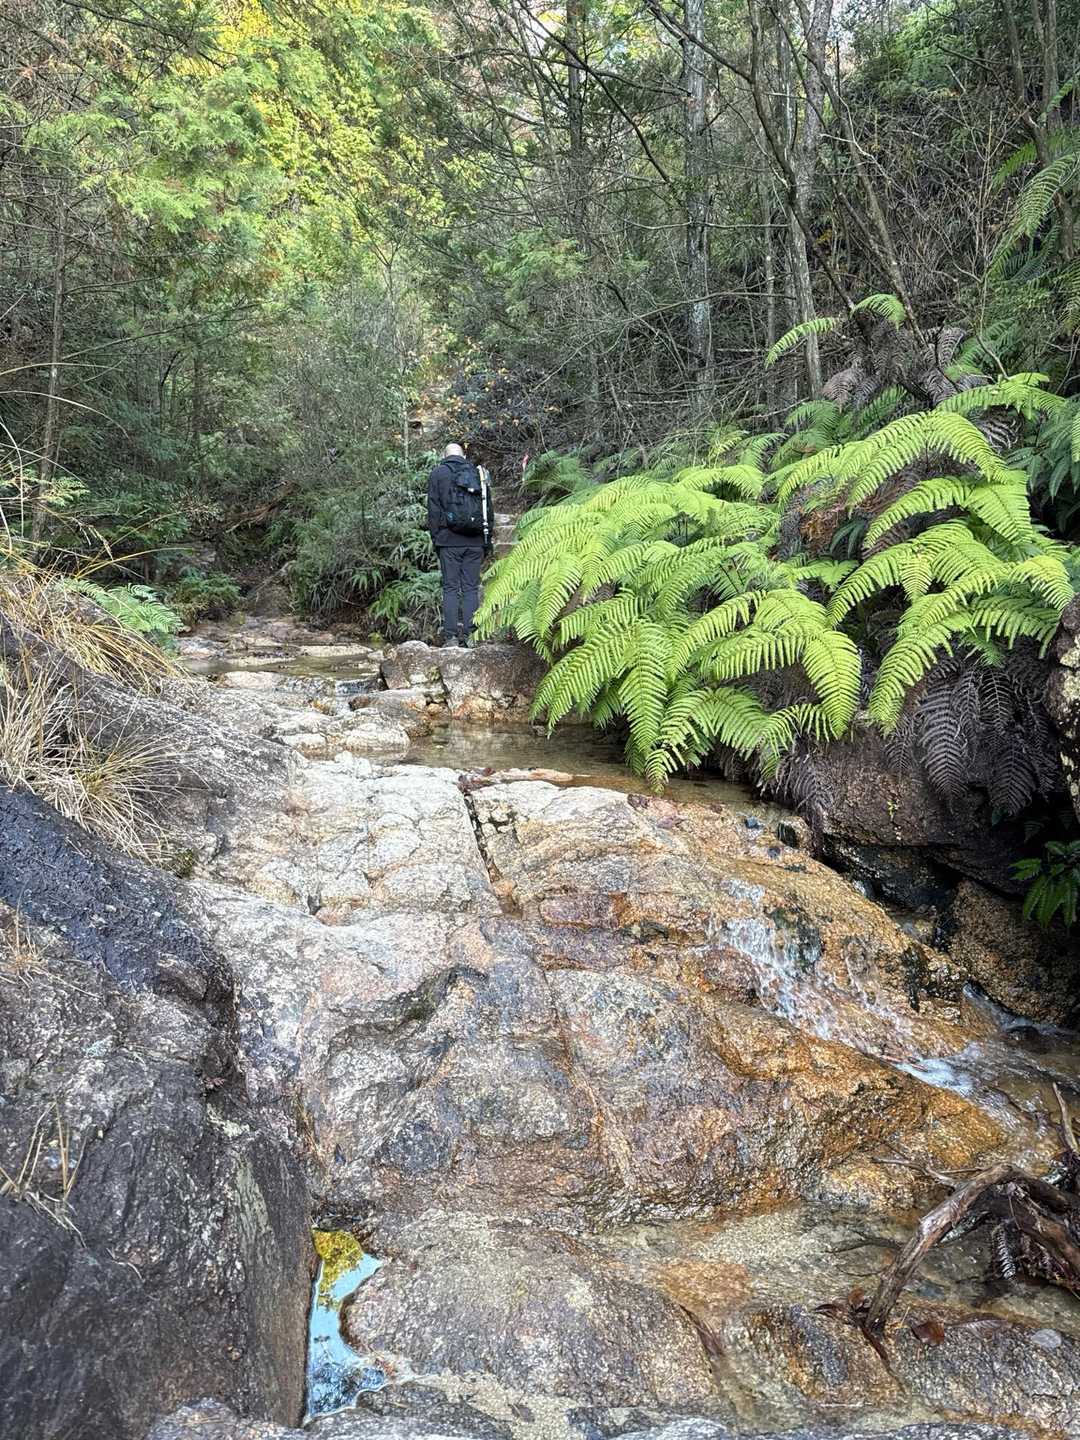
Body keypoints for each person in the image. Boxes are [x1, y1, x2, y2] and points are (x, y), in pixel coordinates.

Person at [426, 442, 495, 647]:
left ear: (444, 456)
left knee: (450, 588)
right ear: (463, 456)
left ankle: (451, 638)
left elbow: (433, 510)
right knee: (470, 588)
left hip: (448, 541)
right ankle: (470, 636)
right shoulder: (478, 473)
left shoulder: (438, 474)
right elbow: (488, 509)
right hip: (475, 541)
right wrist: (487, 539)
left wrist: (436, 538)